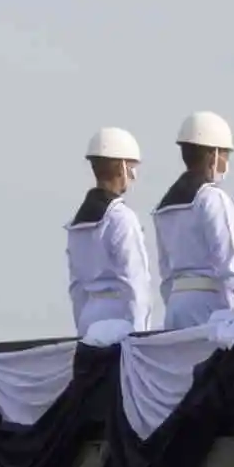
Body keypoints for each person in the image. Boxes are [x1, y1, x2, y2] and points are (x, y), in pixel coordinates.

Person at [153, 111, 234, 328]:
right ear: (213, 154)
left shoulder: (163, 206)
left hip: (176, 305)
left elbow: (164, 272)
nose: (226, 162)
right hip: (211, 306)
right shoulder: (213, 198)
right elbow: (229, 263)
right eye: (225, 155)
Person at [67, 126, 153, 336]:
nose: (133, 175)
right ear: (121, 167)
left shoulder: (76, 223)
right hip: (118, 318)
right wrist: (140, 334)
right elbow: (135, 284)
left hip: (88, 318)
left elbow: (76, 288)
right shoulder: (121, 217)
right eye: (132, 166)